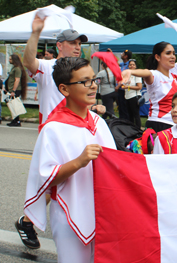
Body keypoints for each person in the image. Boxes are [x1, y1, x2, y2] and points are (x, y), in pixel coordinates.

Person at [19, 16, 104, 250]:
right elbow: (28, 61)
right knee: (56, 180)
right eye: (72, 42)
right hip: (58, 134)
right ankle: (29, 220)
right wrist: (35, 33)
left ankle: (30, 220)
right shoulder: (48, 67)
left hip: (82, 129)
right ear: (59, 46)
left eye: (80, 43)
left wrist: (94, 107)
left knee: (81, 182)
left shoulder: (82, 73)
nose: (77, 46)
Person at [23, 57, 116, 262]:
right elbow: (45, 178)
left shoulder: (99, 122)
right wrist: (79, 161)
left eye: (93, 80)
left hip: (102, 210)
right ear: (65, 89)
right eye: (84, 82)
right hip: (68, 212)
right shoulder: (53, 128)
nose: (92, 86)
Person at [121, 37, 177, 133]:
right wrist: (130, 71)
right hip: (158, 124)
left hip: (174, 124)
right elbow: (145, 72)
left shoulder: (175, 71)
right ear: (157, 57)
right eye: (168, 53)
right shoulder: (155, 75)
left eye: (173, 53)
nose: (173, 56)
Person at [5, 54, 28, 127]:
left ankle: (17, 121)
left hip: (16, 89)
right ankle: (15, 120)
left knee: (15, 105)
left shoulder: (17, 69)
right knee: (12, 105)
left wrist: (13, 91)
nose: (9, 60)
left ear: (14, 60)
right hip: (12, 89)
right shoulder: (14, 68)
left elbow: (17, 80)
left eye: (10, 59)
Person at [122, 59, 142, 128]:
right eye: (130, 64)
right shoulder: (127, 75)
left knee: (136, 115)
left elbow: (139, 87)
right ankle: (131, 129)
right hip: (127, 96)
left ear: (135, 66)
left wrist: (128, 87)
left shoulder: (137, 74)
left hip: (134, 96)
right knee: (129, 115)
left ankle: (138, 129)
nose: (132, 66)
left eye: (133, 64)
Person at [117, 50, 133, 120]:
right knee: (120, 107)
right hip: (120, 90)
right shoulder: (122, 64)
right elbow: (114, 63)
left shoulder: (129, 66)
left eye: (123, 54)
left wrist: (118, 85)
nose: (121, 54)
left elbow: (126, 78)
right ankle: (121, 121)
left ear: (126, 56)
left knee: (125, 107)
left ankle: (126, 122)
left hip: (125, 89)